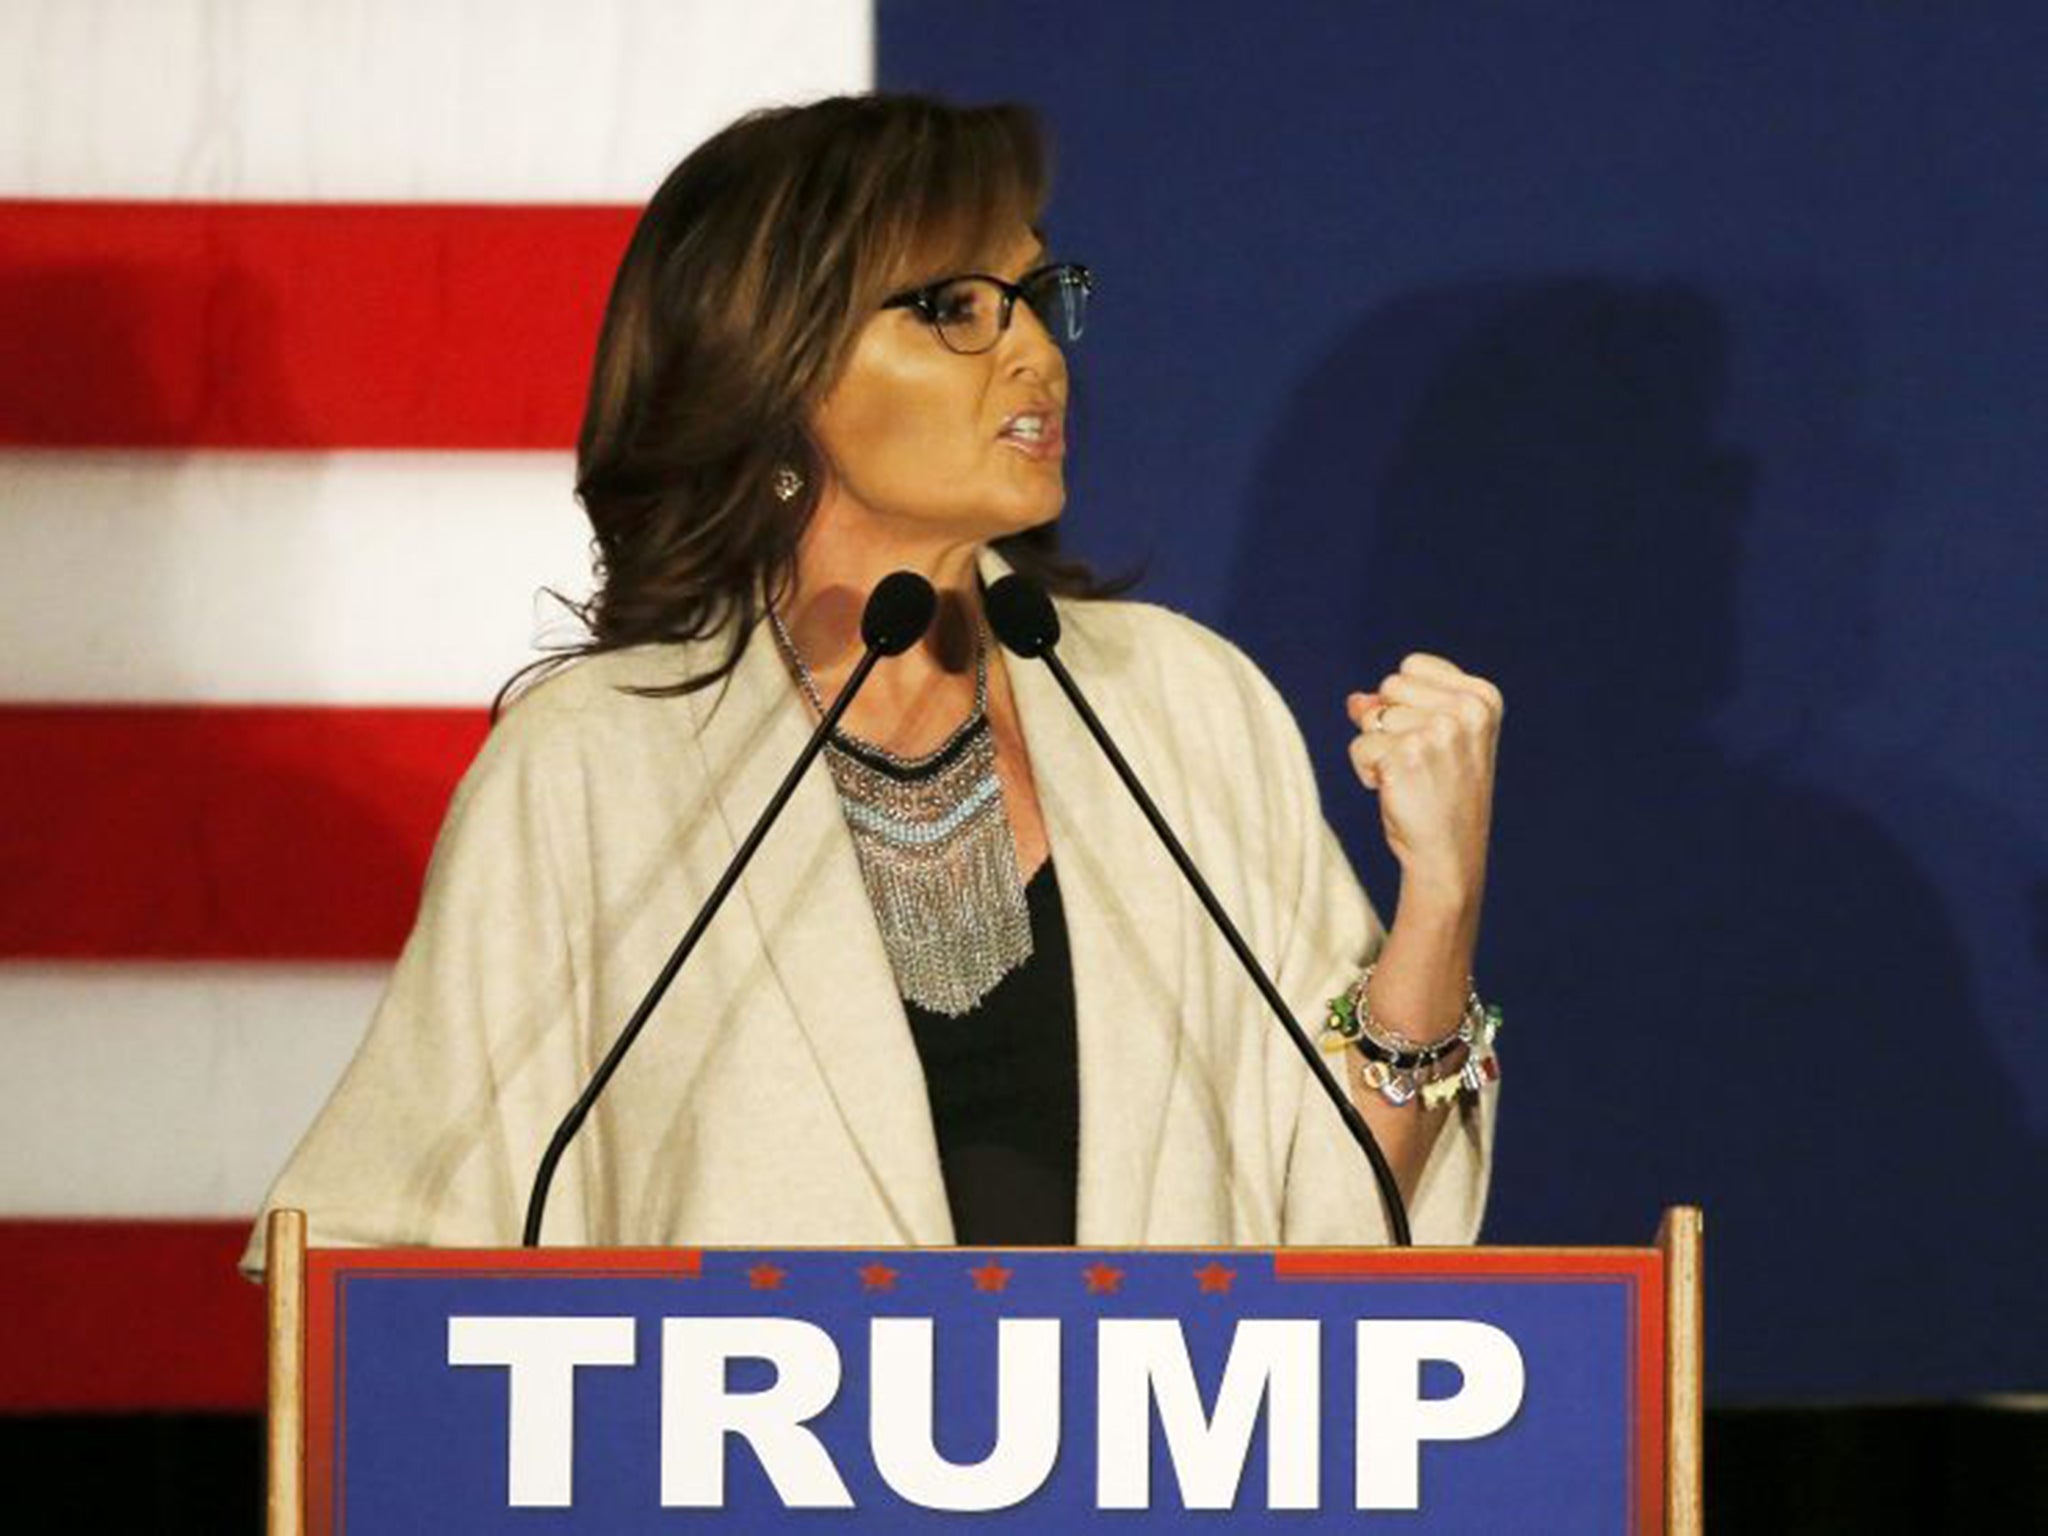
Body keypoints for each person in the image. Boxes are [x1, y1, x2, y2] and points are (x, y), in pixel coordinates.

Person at [241, 93, 1501, 1272]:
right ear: (776, 364)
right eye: (955, 307)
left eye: (1032, 295)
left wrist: (1437, 899)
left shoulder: (1181, 707)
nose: (1034, 356)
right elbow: (390, 1253)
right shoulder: (594, 763)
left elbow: (1345, 1216)